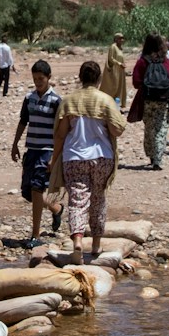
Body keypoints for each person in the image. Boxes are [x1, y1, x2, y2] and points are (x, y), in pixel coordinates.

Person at [49, 61, 125, 264]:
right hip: (102, 157)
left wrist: (54, 159)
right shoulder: (106, 101)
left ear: (80, 78)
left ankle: (77, 241)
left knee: (77, 201)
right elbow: (117, 129)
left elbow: (60, 134)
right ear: (99, 79)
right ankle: (97, 244)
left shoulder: (69, 101)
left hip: (74, 157)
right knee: (98, 199)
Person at [10, 60, 64, 247]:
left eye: (41, 78)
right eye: (35, 79)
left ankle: (35, 235)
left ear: (49, 78)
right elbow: (23, 121)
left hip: (46, 151)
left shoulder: (56, 100)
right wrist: (15, 144)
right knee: (28, 192)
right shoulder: (29, 98)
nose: (38, 82)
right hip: (31, 149)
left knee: (37, 188)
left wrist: (55, 156)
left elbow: (61, 130)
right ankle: (56, 208)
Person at [130, 32, 169, 170]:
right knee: (160, 128)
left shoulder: (143, 61)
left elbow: (136, 82)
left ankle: (151, 155)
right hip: (163, 100)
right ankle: (158, 159)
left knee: (149, 127)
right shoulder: (165, 60)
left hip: (146, 100)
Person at [99, 32, 128, 110]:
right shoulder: (113, 47)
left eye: (122, 38)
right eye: (120, 38)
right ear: (116, 39)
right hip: (114, 70)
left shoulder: (120, 48)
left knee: (120, 87)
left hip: (120, 70)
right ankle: (108, 105)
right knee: (113, 87)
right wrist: (119, 64)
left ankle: (118, 106)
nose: (122, 40)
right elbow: (111, 58)